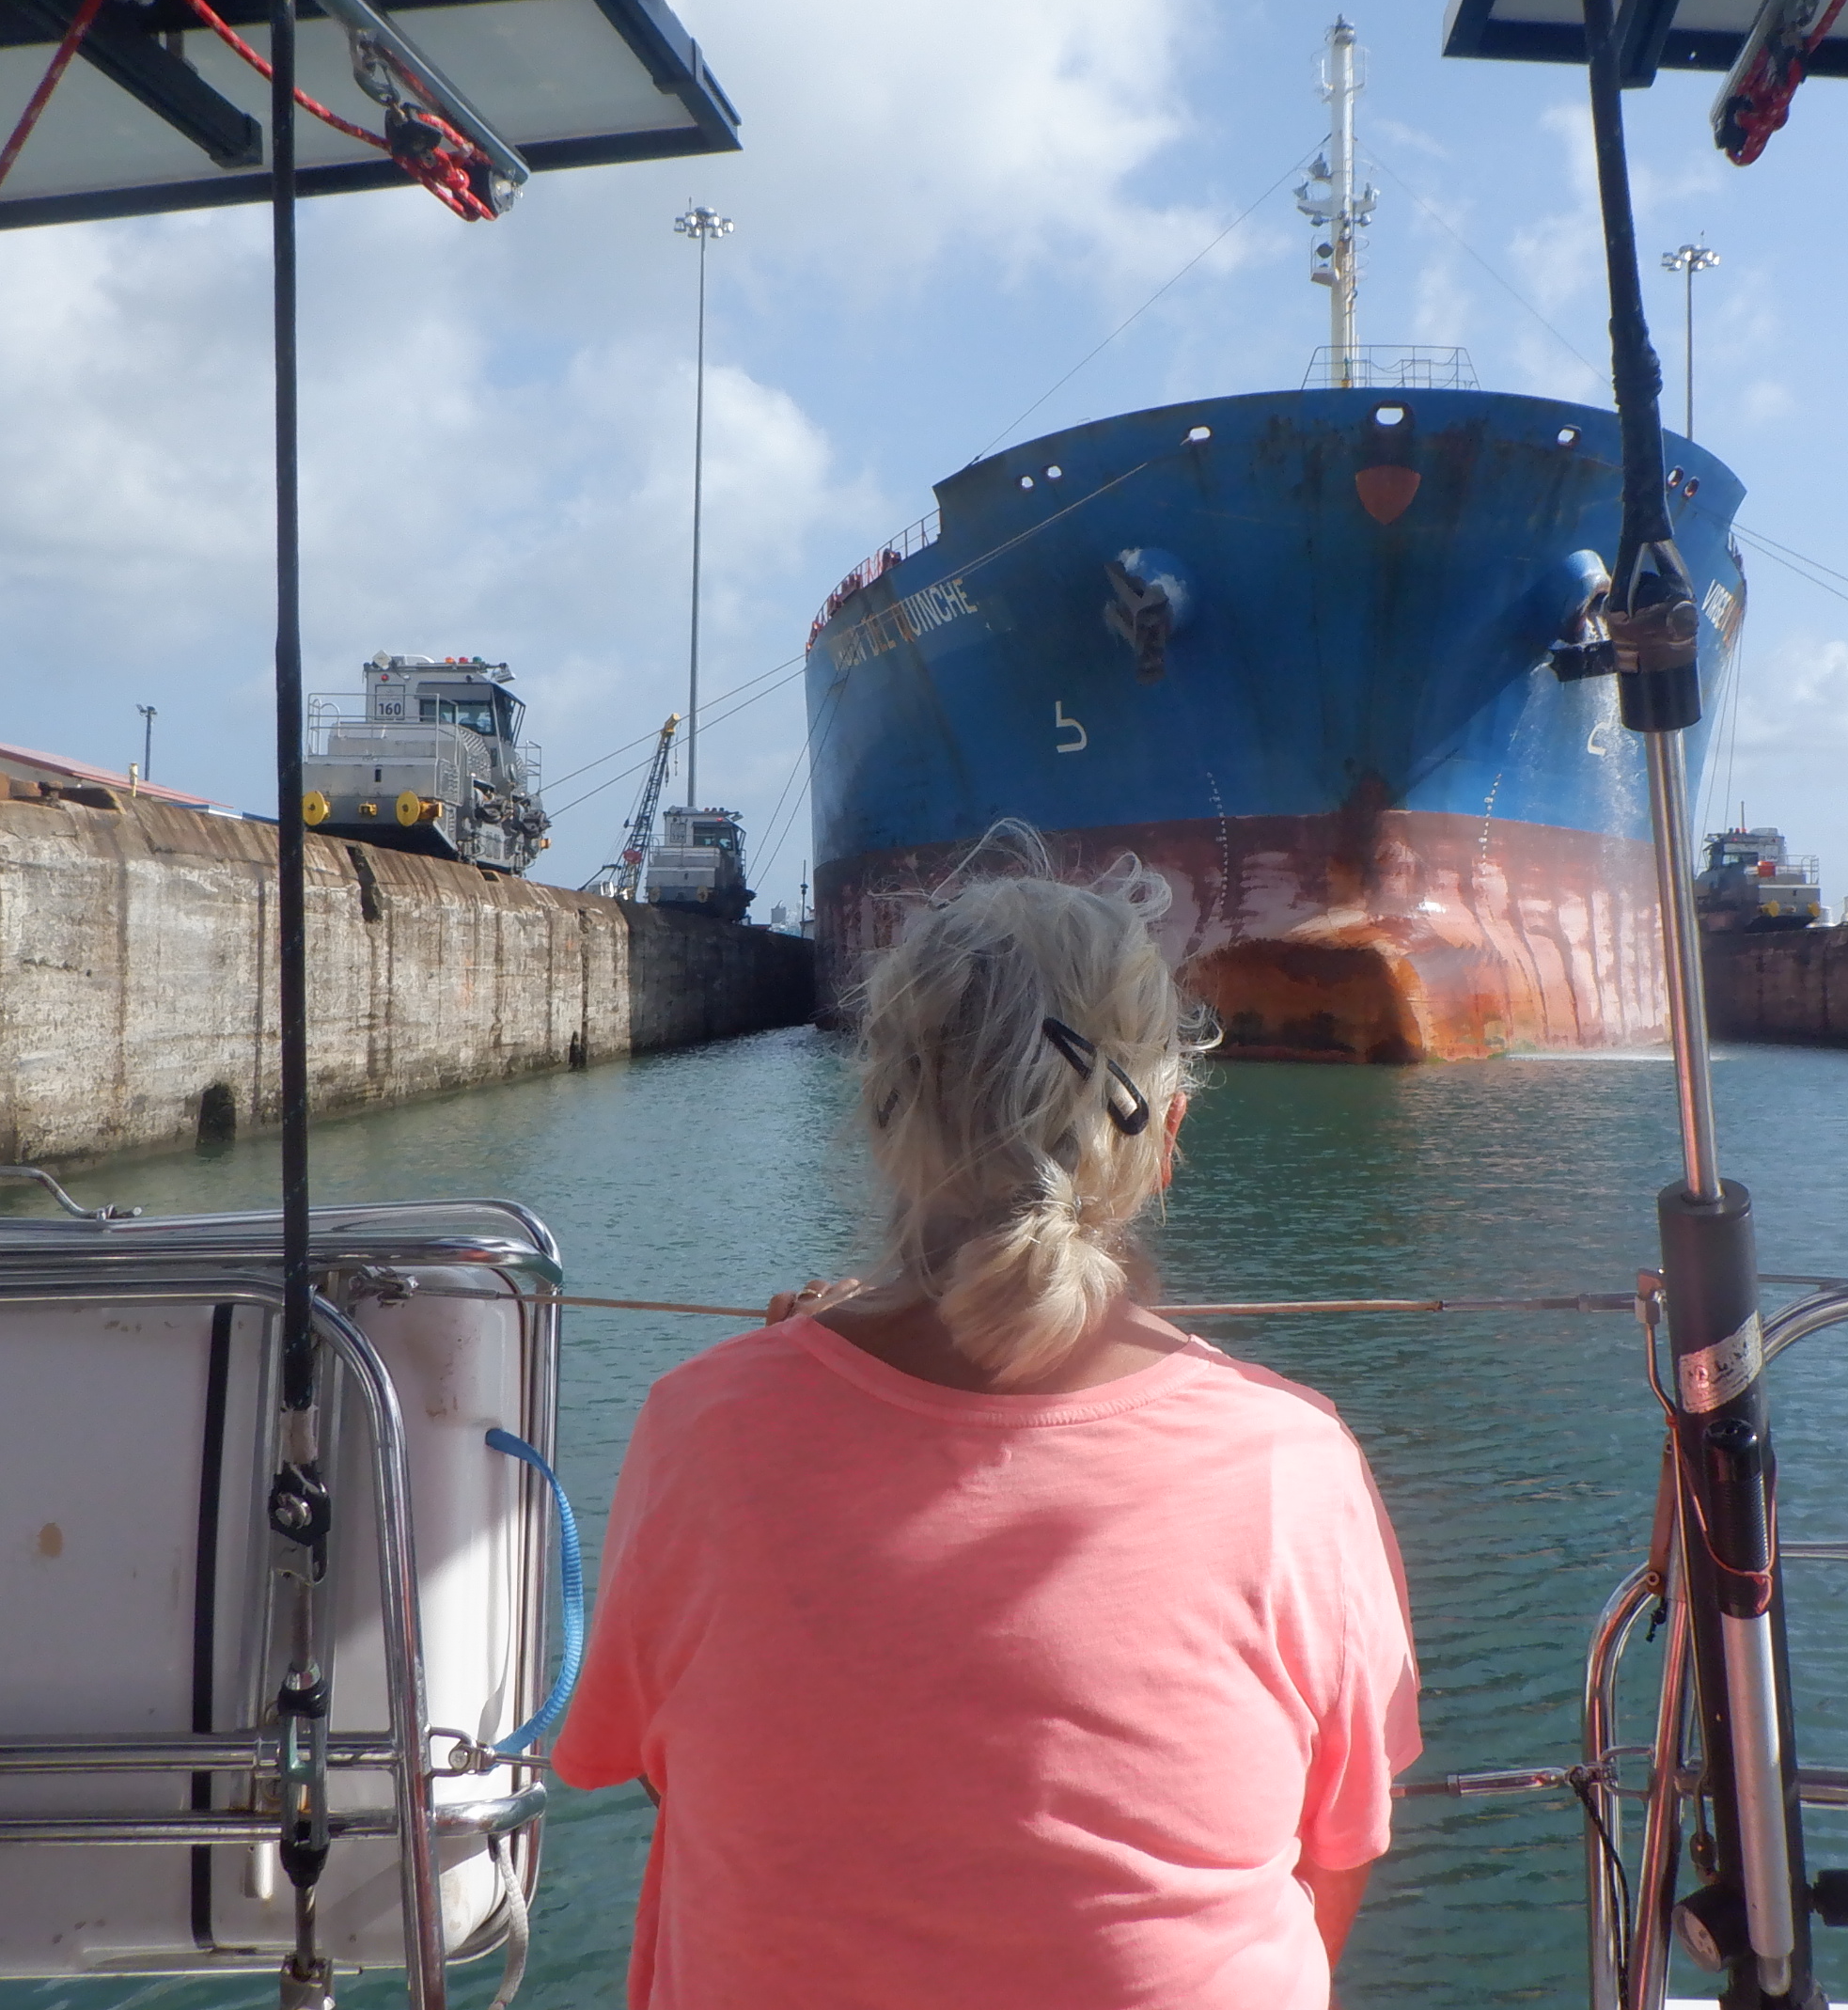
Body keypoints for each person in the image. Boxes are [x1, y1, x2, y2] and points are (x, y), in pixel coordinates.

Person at [555, 833, 1419, 2009]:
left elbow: (679, 1768)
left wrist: (786, 1372)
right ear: (1165, 1138)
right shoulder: (1290, 1464)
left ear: (882, 1119)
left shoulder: (703, 1427)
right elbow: (1337, 1849)